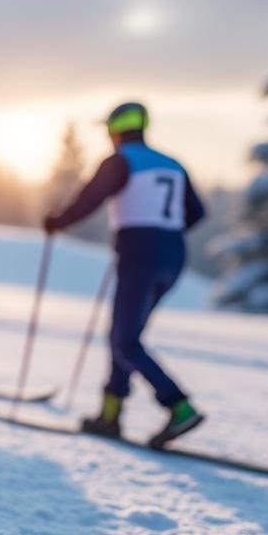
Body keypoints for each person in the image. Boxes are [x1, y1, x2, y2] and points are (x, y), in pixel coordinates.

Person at [44, 101, 206, 448]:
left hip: (140, 255)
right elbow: (196, 213)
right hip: (172, 256)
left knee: (124, 340)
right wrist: (164, 231)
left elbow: (89, 199)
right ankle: (110, 414)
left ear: (115, 130)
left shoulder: (120, 161)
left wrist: (57, 221)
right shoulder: (172, 163)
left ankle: (178, 406)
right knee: (126, 336)